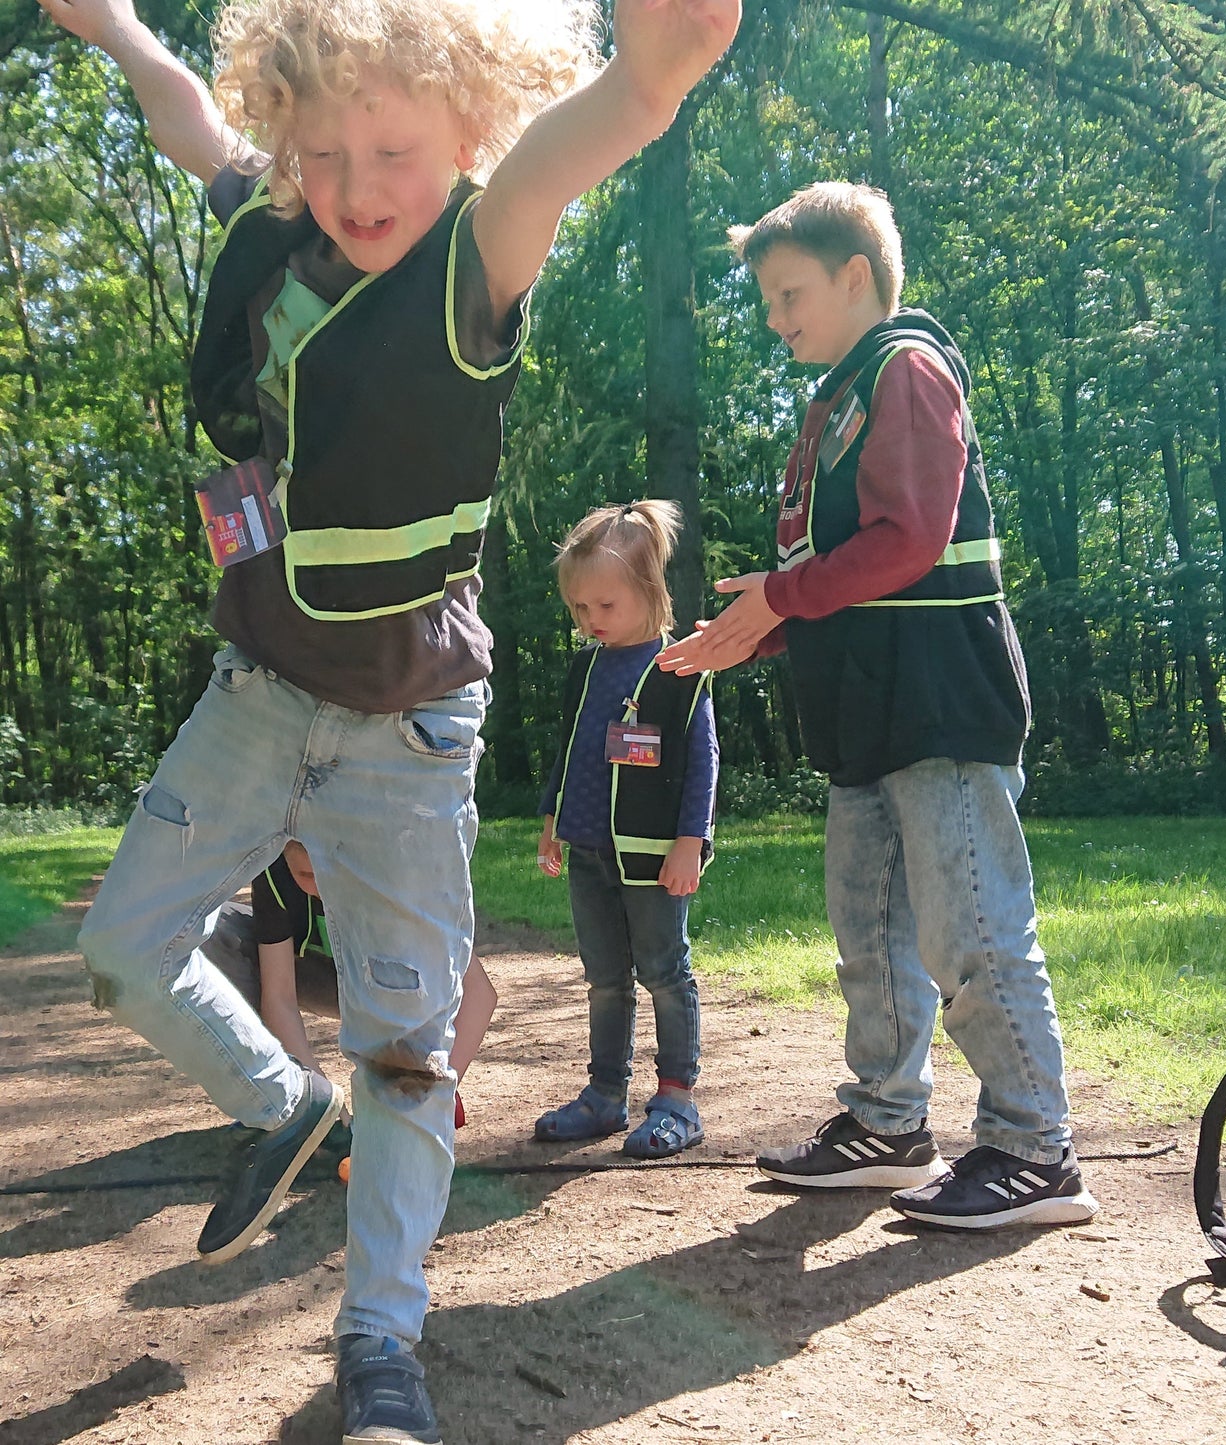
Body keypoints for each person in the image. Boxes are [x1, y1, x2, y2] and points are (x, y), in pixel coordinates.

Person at [44, 0, 740, 1437]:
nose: (359, 188)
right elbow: (191, 117)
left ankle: (379, 1344)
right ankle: (279, 1105)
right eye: (327, 152)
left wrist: (659, 67)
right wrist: (115, 27)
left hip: (411, 725)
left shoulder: (475, 259)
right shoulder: (284, 224)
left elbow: (577, 146)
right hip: (258, 693)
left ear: (464, 132)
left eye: (397, 153)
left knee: (409, 1047)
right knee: (120, 945)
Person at [658, 182, 1099, 1231]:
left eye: (787, 293)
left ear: (855, 275)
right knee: (871, 924)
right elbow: (827, 569)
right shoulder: (833, 397)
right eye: (767, 301)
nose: (774, 320)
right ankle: (885, 1122)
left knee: (970, 924)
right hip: (864, 708)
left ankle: (1035, 1146)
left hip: (939, 695)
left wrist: (780, 596)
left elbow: (907, 538)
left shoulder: (906, 368)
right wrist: (750, 629)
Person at [534, 501, 718, 1158]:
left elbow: (701, 760)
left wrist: (690, 841)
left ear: (648, 590)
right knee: (604, 976)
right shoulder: (585, 667)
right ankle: (603, 1095)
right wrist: (553, 815)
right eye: (579, 609)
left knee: (665, 971)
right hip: (586, 848)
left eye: (604, 606)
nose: (589, 620)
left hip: (652, 855)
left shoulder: (678, 668)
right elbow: (570, 745)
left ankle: (676, 1099)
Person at [205, 840, 498, 1134]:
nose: (322, 888)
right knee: (210, 932)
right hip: (319, 979)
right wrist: (324, 1108)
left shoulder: (397, 871)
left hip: (393, 986)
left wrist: (437, 1093)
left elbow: (480, 994)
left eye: (331, 872)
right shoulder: (274, 869)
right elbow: (278, 995)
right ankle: (281, 1099)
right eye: (306, 875)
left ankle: (409, 1090)